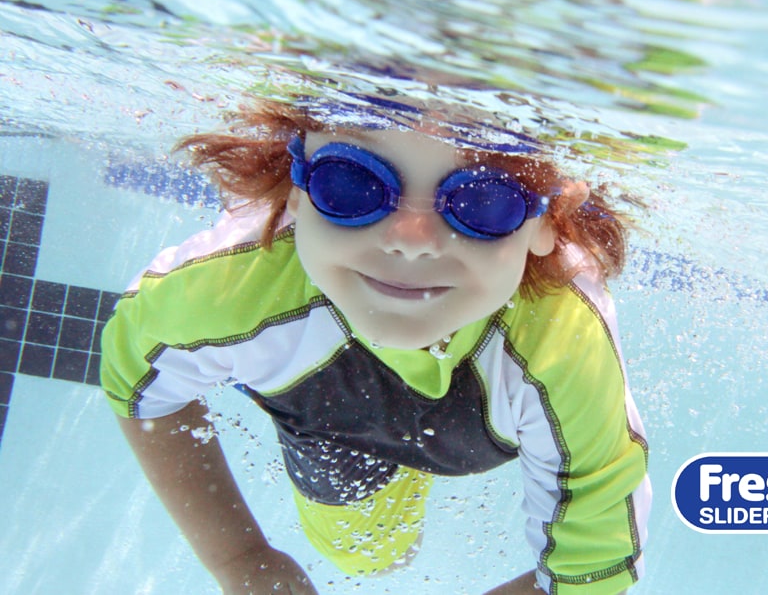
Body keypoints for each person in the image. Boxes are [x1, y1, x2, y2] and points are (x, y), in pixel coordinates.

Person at [100, 96, 651, 594]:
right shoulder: (234, 289)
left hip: (477, 427)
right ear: (297, 188)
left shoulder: (562, 344)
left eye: (483, 202)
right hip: (333, 427)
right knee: (371, 557)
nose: (410, 242)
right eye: (350, 184)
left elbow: (591, 573)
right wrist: (241, 558)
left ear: (545, 223)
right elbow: (139, 385)